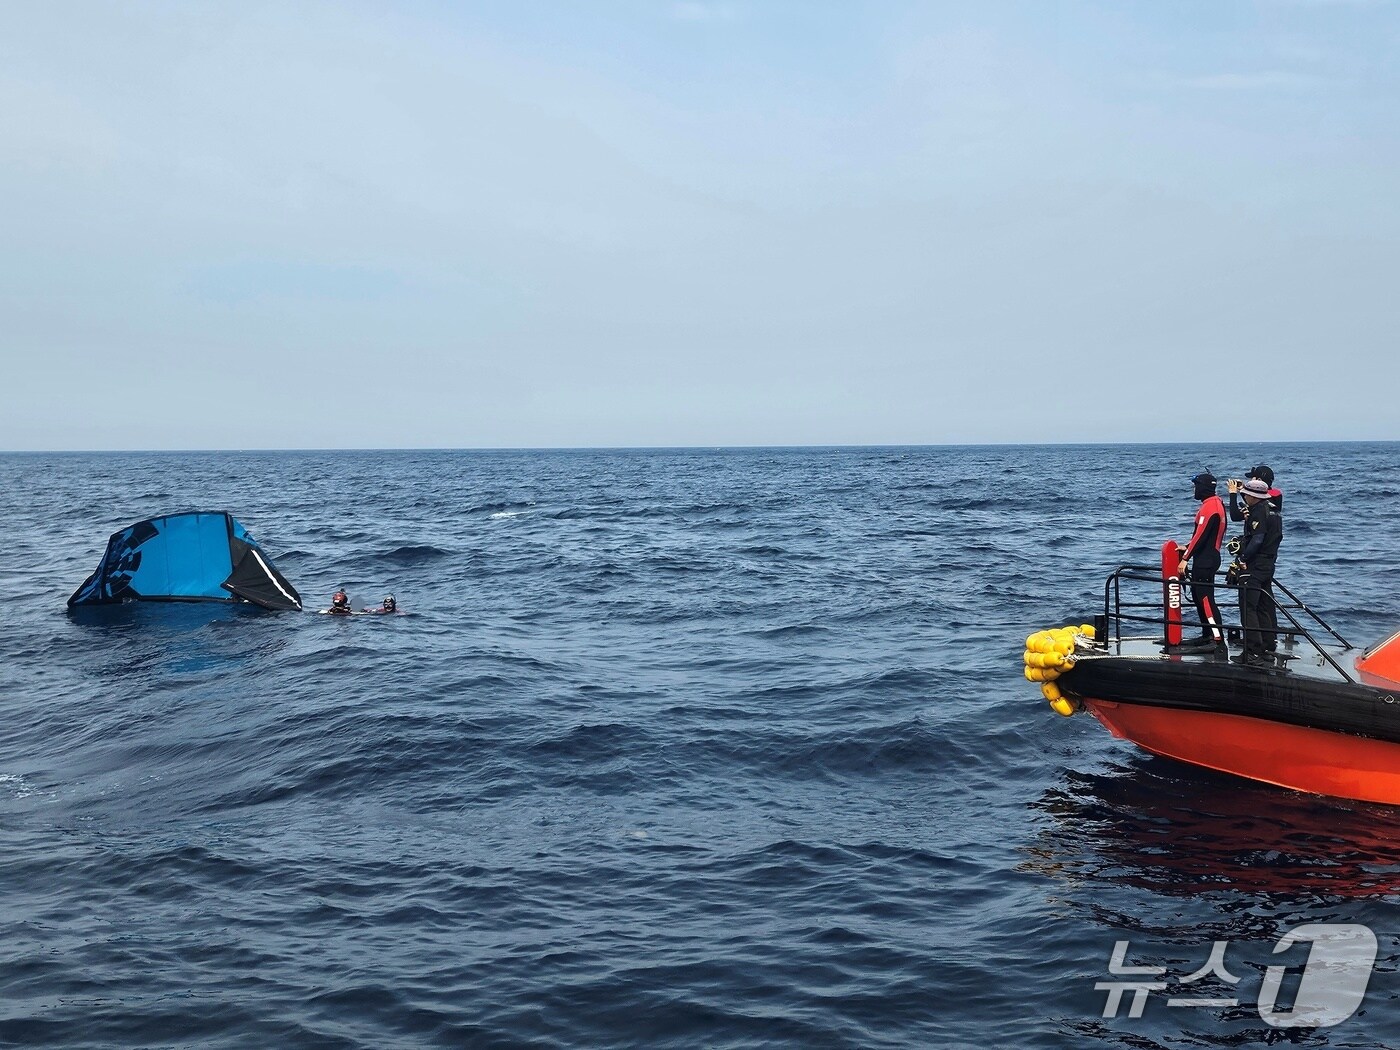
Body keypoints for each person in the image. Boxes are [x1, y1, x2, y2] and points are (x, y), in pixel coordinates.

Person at [1232, 479, 1283, 666]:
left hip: (1255, 564)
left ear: (1254, 496)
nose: (1245, 497)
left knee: (1248, 607)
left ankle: (1252, 650)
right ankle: (1267, 646)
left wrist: (1243, 558)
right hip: (1269, 563)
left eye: (1246, 494)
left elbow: (1258, 538)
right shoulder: (1273, 510)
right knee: (1262, 606)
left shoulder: (1258, 512)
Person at [1176, 471, 1227, 652]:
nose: (1194, 490)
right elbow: (1202, 536)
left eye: (1196, 486)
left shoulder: (1210, 506)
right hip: (1206, 557)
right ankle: (1207, 635)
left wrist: (1185, 558)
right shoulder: (1214, 503)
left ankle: (1217, 640)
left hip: (1206, 560)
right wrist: (1187, 547)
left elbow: (1201, 535)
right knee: (1199, 598)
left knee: (1205, 600)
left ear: (1203, 488)